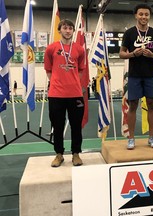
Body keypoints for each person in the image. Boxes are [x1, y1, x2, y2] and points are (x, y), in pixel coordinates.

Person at [119, 4, 153, 150]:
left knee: (151, 104)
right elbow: (121, 54)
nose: (144, 17)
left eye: (146, 14)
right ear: (136, 16)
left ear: (149, 16)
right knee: (133, 106)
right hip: (134, 75)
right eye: (141, 14)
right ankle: (131, 139)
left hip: (150, 75)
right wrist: (133, 54)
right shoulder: (130, 33)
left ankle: (151, 138)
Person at [44, 19, 86, 167]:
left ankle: (76, 154)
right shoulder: (51, 48)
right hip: (56, 95)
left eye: (70, 28)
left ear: (73, 31)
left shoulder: (79, 49)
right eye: (65, 28)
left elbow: (81, 70)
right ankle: (59, 154)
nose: (68, 31)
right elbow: (48, 70)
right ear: (59, 30)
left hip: (75, 94)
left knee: (76, 126)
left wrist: (71, 82)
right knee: (57, 126)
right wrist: (59, 82)